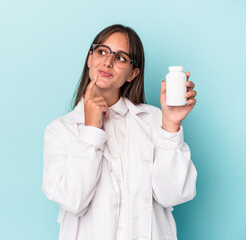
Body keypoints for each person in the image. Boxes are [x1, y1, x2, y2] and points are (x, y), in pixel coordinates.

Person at [41, 24, 197, 240]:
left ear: (132, 74)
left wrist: (170, 125)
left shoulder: (153, 121)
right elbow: (71, 199)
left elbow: (174, 194)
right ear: (89, 59)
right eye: (102, 52)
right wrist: (91, 129)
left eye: (121, 58)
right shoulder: (60, 130)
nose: (108, 62)